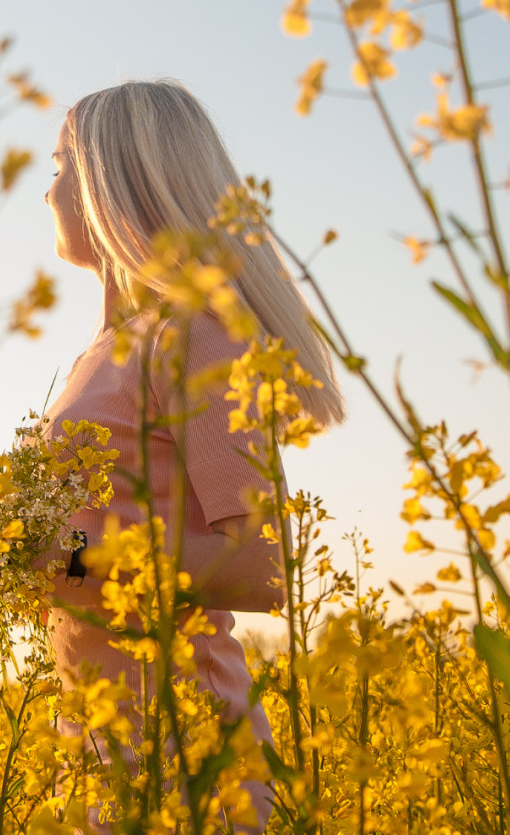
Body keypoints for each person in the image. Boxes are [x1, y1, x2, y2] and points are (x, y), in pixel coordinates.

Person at [37, 79, 344, 828]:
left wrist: (65, 554)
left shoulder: (197, 334)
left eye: (60, 167)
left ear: (115, 182)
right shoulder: (104, 352)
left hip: (183, 756)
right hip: (100, 743)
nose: (47, 192)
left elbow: (268, 565)